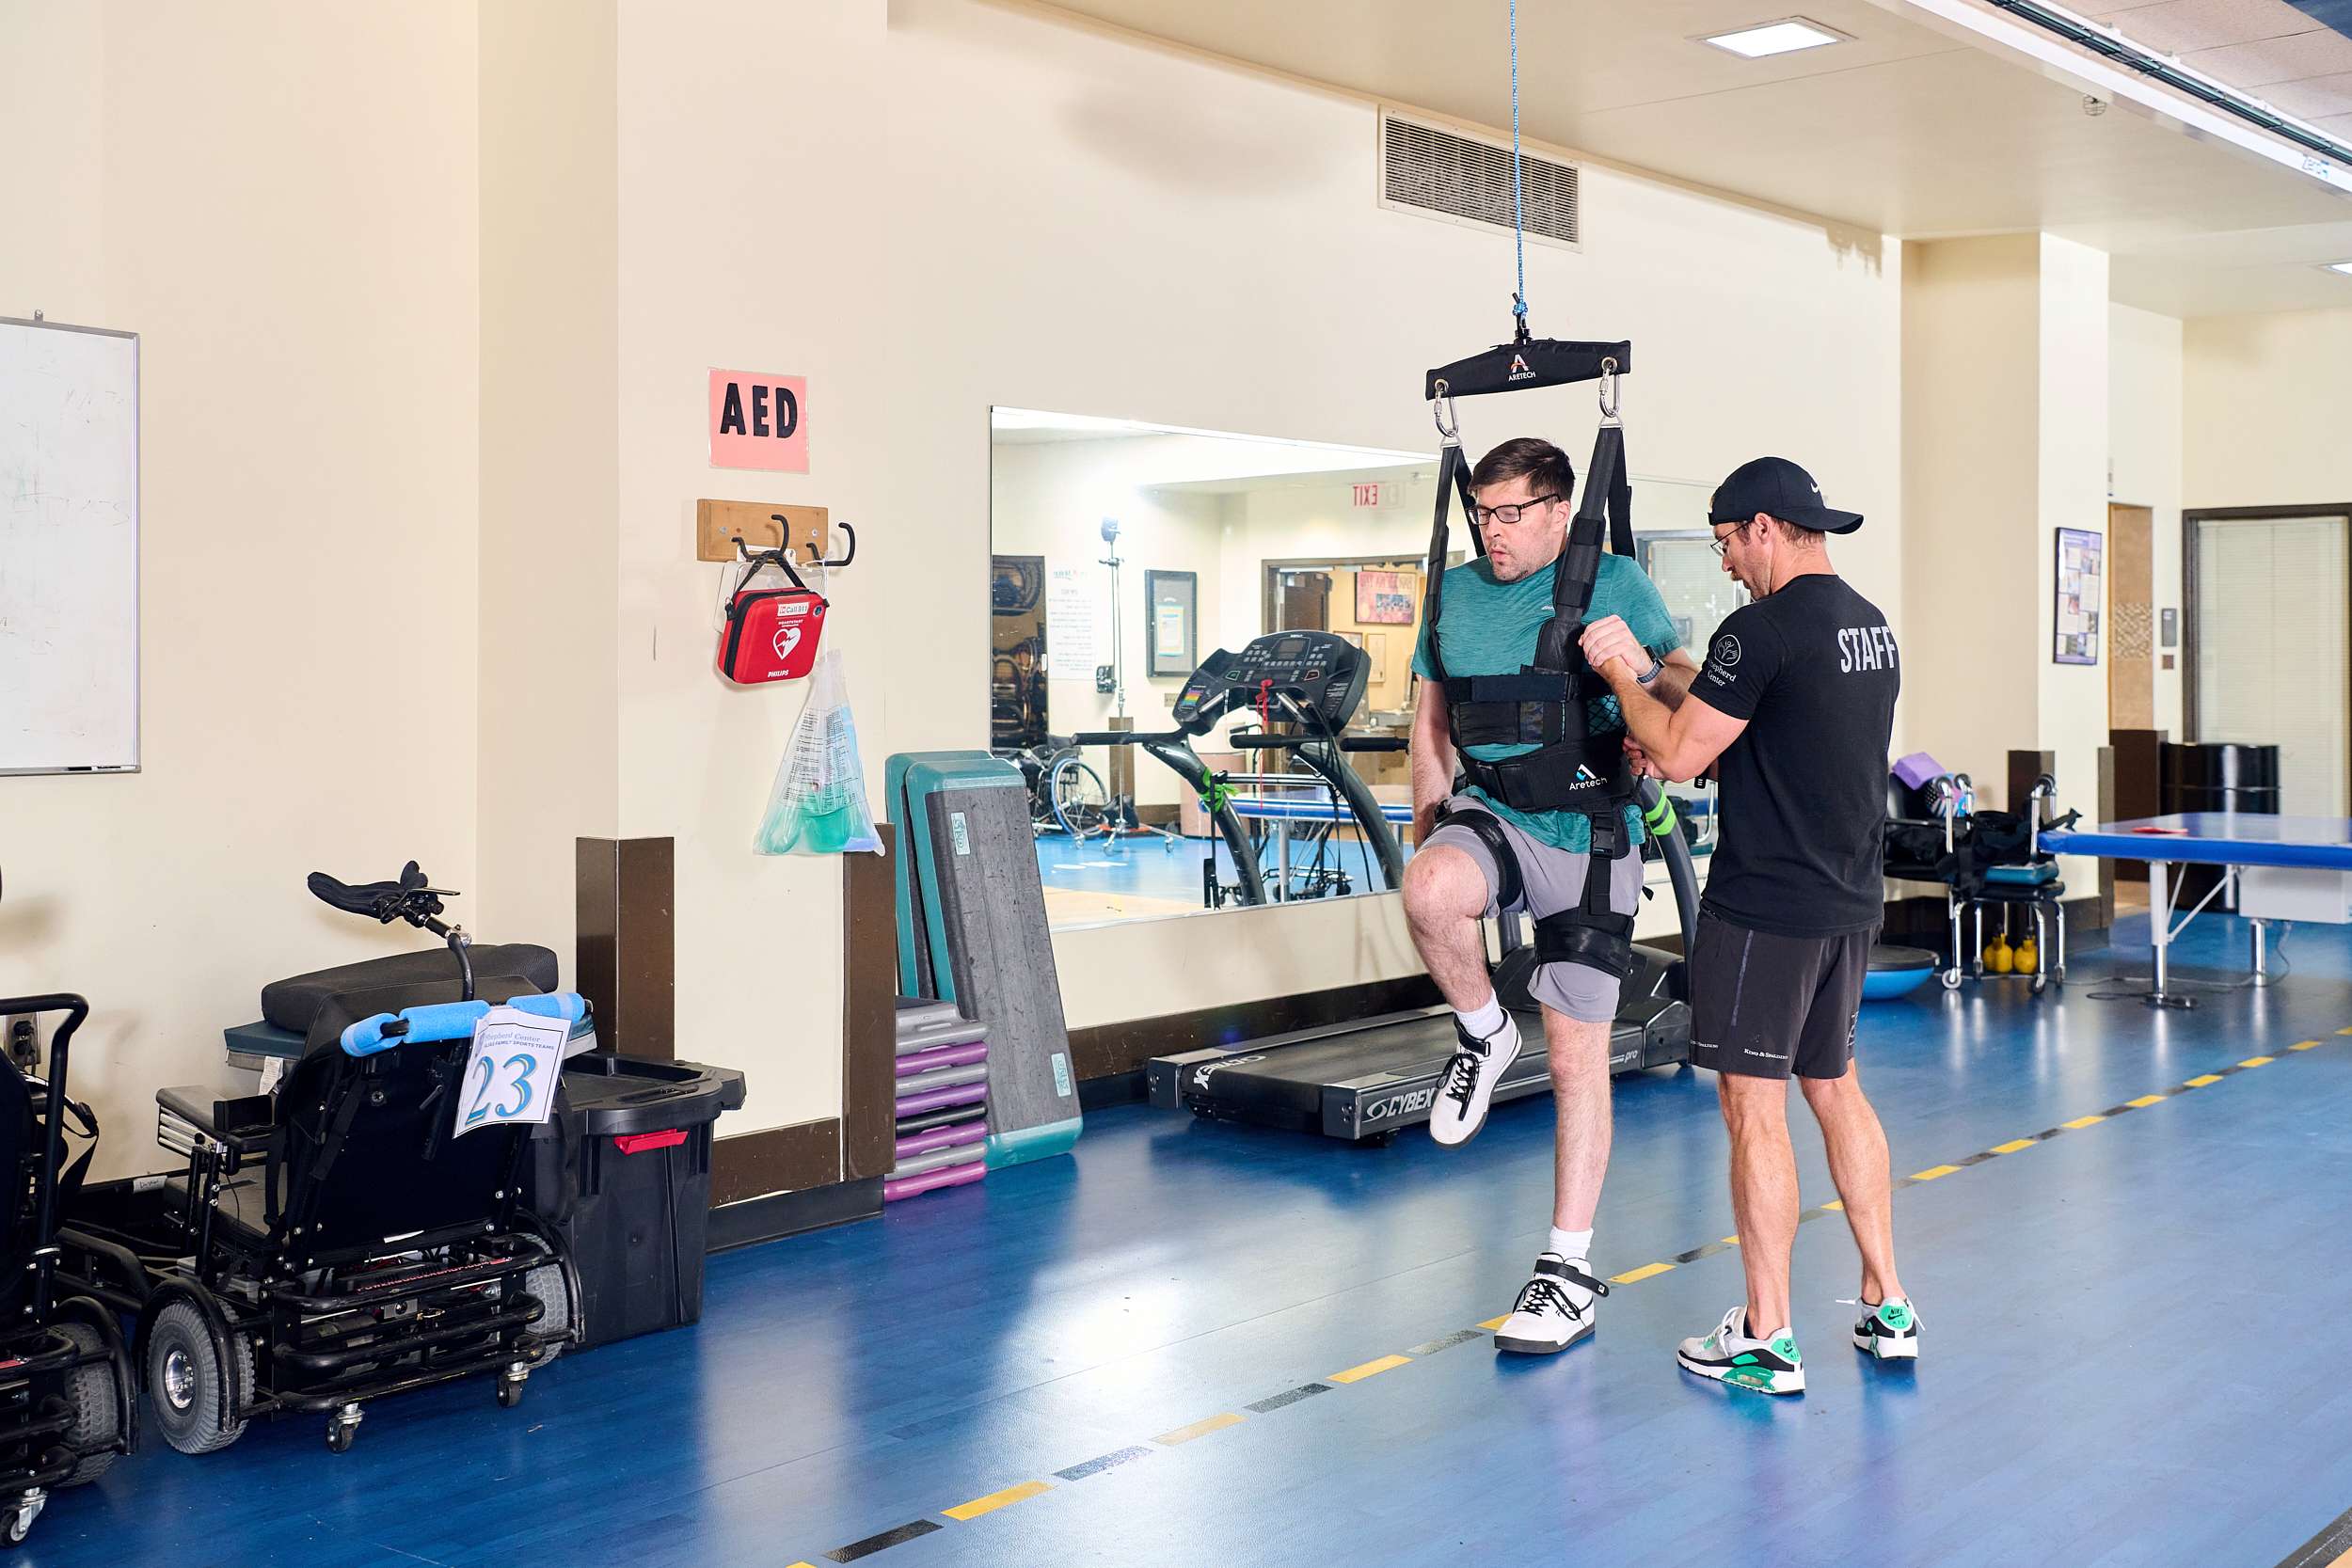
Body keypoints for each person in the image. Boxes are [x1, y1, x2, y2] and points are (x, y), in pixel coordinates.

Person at [1582, 455, 1915, 1397]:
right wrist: (1669, 671)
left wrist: (1617, 668)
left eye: (1728, 539)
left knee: (1752, 1108)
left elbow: (1682, 753)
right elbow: (1788, 738)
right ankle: (1886, 1302)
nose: (1726, 559)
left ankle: (1767, 1334)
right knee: (1835, 1087)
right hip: (1848, 898)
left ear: (1765, 527)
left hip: (1765, 905)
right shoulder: (1867, 626)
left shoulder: (1757, 630)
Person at [1404, 436, 1696, 1355]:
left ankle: (1566, 1271)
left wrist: (1641, 673)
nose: (1493, 531)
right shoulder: (1450, 593)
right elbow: (1429, 725)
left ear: (1557, 511)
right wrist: (1427, 835)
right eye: (1482, 513)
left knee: (1577, 1059)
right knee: (1428, 888)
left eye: (1511, 513)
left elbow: (1688, 690)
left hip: (1589, 834)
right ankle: (1484, 1033)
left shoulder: (1612, 580)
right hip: (1494, 814)